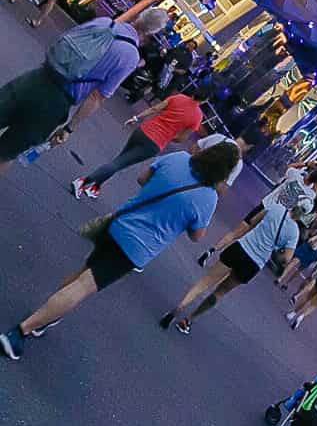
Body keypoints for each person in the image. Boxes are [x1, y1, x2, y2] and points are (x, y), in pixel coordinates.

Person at [0, 139, 238, 359]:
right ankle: (20, 332)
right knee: (84, 286)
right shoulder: (208, 199)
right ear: (224, 173)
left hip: (119, 222)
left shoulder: (178, 158)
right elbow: (197, 236)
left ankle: (42, 318)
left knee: (84, 271)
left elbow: (143, 178)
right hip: (136, 248)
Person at [0, 7, 171, 175]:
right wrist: (69, 128)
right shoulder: (130, 56)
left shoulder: (105, 23)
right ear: (153, 32)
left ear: (140, 16)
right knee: (6, 153)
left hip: (37, 77)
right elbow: (96, 97)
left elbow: (66, 39)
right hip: (56, 103)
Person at [158, 198, 299, 334]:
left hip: (241, 247)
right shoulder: (294, 233)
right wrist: (276, 251)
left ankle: (179, 306)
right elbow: (286, 259)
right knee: (220, 292)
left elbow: (253, 221)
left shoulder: (276, 208)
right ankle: (188, 320)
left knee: (205, 282)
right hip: (254, 263)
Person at [71, 88, 203, 199]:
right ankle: (83, 182)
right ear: (205, 99)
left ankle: (96, 186)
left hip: (143, 130)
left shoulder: (178, 97)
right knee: (119, 164)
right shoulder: (197, 117)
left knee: (120, 159)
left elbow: (154, 109)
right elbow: (181, 138)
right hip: (155, 143)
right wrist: (168, 136)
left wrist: (136, 117)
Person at [195, 160, 317, 267]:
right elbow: (315, 190)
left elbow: (290, 166)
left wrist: (307, 164)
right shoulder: (309, 195)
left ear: (309, 173)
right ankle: (224, 263)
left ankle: (212, 250)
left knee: (236, 232)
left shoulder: (294, 176)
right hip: (276, 217)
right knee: (248, 241)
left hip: (264, 206)